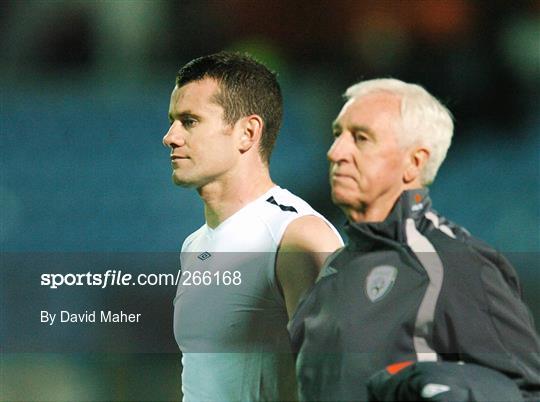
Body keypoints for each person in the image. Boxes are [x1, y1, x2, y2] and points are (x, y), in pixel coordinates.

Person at [288, 78, 540, 401]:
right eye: (337, 134)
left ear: (414, 162)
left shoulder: (455, 264)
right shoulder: (332, 269)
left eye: (361, 138)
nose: (335, 152)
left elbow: (527, 391)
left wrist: (447, 387)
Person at [163, 52, 343, 402]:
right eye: (172, 121)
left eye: (190, 121)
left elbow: (336, 381)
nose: (170, 137)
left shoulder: (297, 236)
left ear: (247, 132)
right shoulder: (194, 245)